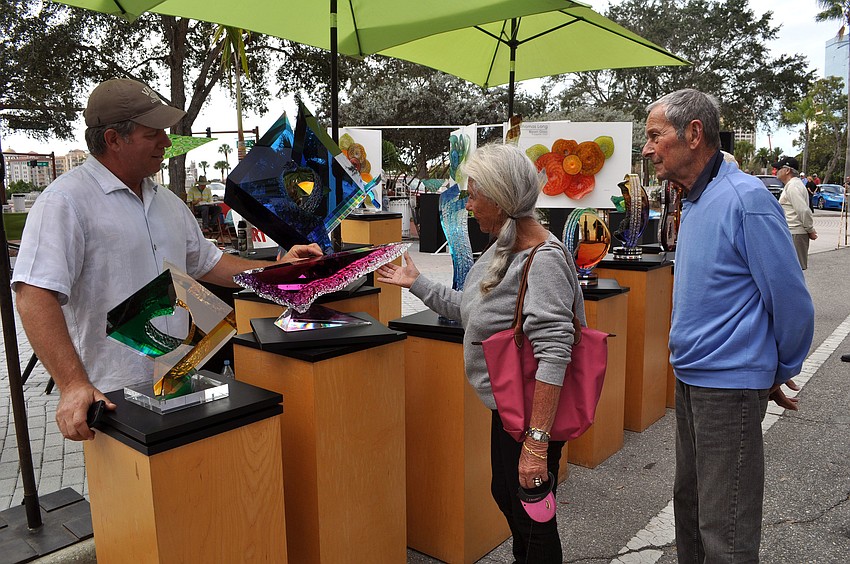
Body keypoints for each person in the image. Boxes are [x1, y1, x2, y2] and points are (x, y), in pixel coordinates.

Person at [11, 78, 322, 442]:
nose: (167, 142)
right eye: (152, 134)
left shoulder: (167, 202)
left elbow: (209, 264)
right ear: (113, 139)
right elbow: (34, 295)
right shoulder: (65, 202)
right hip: (112, 399)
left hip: (180, 381)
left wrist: (279, 271)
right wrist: (73, 384)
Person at [377, 144, 584, 563]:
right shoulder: (502, 249)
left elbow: (556, 351)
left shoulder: (542, 260)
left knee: (532, 512)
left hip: (530, 414)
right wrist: (416, 282)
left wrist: (537, 444)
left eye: (473, 195)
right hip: (509, 408)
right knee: (510, 497)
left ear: (501, 198)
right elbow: (469, 311)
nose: (467, 205)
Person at [641, 89, 814, 562]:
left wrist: (774, 369)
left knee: (726, 530)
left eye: (655, 135)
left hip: (728, 388)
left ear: (694, 133)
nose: (647, 147)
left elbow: (792, 302)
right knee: (692, 511)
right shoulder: (696, 198)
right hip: (694, 381)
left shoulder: (745, 198)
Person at [774, 156, 817, 269]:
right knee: (790, 271)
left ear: (787, 170)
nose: (776, 171)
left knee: (793, 270)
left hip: (795, 233)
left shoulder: (793, 186)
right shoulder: (792, 185)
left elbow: (803, 209)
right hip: (792, 232)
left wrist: (810, 229)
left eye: (779, 169)